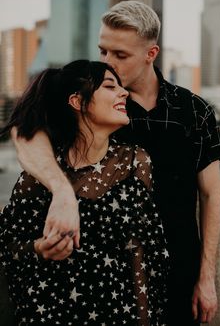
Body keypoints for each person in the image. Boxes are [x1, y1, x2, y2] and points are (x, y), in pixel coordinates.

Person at [11, 1, 220, 325]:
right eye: (103, 51)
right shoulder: (92, 101)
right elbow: (24, 130)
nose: (107, 62)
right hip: (110, 285)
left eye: (120, 55)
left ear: (151, 54)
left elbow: (211, 194)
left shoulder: (195, 112)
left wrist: (206, 277)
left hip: (180, 270)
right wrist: (62, 192)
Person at [0, 60, 169, 325]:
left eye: (122, 88)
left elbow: (145, 254)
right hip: (52, 315)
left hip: (118, 317)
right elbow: (8, 245)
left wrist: (146, 319)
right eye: (110, 86)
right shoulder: (42, 171)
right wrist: (40, 248)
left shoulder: (135, 162)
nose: (124, 93)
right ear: (77, 102)